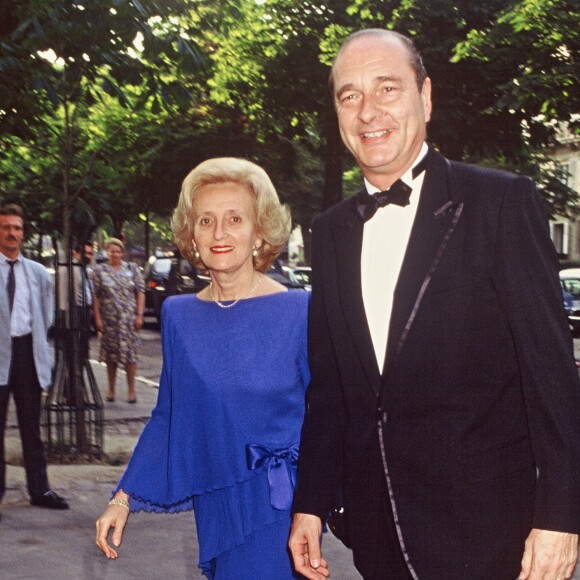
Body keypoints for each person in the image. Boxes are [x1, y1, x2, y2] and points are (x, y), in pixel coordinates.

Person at [289, 29, 580, 580]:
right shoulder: (329, 232)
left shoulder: (499, 203)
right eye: (349, 95)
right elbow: (332, 390)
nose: (368, 111)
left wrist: (563, 517)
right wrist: (312, 501)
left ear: (426, 97)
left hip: (491, 536)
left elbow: (552, 376)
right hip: (375, 532)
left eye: (387, 88)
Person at [95, 158, 310, 579]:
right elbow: (169, 416)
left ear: (259, 232)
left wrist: (318, 506)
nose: (219, 232)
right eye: (206, 220)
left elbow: (330, 414)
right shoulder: (178, 315)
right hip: (217, 499)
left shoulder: (299, 310)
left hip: (280, 505)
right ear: (190, 238)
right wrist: (122, 497)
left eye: (234, 218)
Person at [0, 204, 69, 521]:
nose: (11, 233)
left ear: (23, 233)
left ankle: (39, 490)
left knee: (32, 427)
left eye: (16, 228)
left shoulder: (38, 273)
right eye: (5, 227)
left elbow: (47, 313)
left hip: (28, 352)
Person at [90, 238, 145, 404]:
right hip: (110, 320)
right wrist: (97, 318)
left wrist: (139, 314)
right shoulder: (99, 271)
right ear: (107, 252)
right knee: (111, 356)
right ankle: (111, 389)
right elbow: (95, 296)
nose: (115, 254)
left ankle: (131, 391)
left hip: (128, 320)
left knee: (130, 356)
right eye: (112, 251)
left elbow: (140, 291)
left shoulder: (132, 269)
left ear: (122, 253)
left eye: (118, 251)